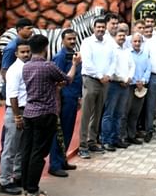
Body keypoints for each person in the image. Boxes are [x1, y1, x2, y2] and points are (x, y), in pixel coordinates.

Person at [20, 34, 80, 196]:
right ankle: (33, 191)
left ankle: (26, 187)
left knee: (28, 150)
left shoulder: (26, 67)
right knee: (38, 153)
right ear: (46, 47)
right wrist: (74, 64)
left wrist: (54, 85)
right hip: (46, 113)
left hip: (29, 112)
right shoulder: (48, 66)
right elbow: (67, 79)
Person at [78, 17, 115, 158]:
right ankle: (82, 145)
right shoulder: (87, 42)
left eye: (102, 27)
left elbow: (113, 61)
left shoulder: (109, 43)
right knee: (87, 113)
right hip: (91, 79)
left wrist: (108, 75)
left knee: (98, 112)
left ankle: (92, 141)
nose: (100, 29)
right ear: (93, 28)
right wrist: (100, 75)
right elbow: (87, 62)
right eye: (98, 27)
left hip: (105, 81)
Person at [0, 39, 31, 195]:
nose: (26, 54)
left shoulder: (28, 67)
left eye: (28, 51)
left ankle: (17, 176)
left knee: (21, 148)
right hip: (15, 112)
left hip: (26, 111)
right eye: (22, 52)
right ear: (16, 53)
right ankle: (4, 182)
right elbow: (12, 96)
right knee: (10, 149)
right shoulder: (14, 70)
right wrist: (17, 116)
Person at [48, 28, 80, 176]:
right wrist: (58, 102)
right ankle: (54, 165)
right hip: (64, 99)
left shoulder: (73, 56)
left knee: (68, 131)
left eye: (74, 39)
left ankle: (62, 160)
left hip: (73, 98)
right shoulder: (60, 57)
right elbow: (57, 81)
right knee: (59, 132)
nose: (72, 41)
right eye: (69, 39)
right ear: (62, 40)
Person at [101, 25, 134, 150]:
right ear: (115, 37)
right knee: (109, 113)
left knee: (120, 114)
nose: (122, 37)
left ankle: (116, 139)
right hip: (114, 84)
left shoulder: (126, 50)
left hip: (125, 85)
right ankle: (106, 140)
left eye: (124, 36)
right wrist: (122, 79)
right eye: (119, 35)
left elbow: (132, 66)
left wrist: (129, 78)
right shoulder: (111, 50)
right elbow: (111, 68)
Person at [123, 32, 150, 145]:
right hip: (129, 86)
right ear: (131, 42)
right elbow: (125, 69)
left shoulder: (145, 54)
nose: (137, 43)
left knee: (135, 112)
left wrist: (143, 81)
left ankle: (132, 135)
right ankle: (123, 136)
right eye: (135, 41)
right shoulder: (127, 54)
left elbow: (148, 69)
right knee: (125, 112)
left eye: (139, 41)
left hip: (140, 86)